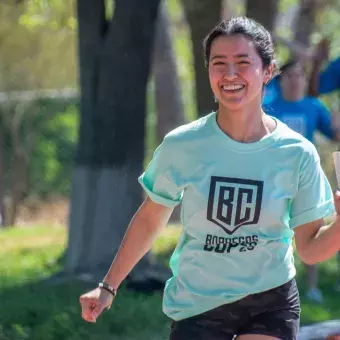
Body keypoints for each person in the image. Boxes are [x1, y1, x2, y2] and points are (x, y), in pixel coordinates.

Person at [79, 17, 340, 340]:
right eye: (220, 64)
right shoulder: (182, 144)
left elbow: (311, 250)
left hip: (270, 301)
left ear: (268, 71)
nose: (230, 74)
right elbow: (149, 220)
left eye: (243, 63)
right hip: (197, 303)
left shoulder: (297, 152)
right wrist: (108, 287)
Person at [264, 59, 340, 303]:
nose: (295, 80)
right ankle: (273, 286)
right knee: (273, 233)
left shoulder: (314, 106)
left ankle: (312, 287)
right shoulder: (268, 107)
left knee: (311, 230)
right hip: (274, 180)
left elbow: (334, 135)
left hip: (306, 179)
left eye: (300, 76)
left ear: (305, 81)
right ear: (281, 79)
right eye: (290, 76)